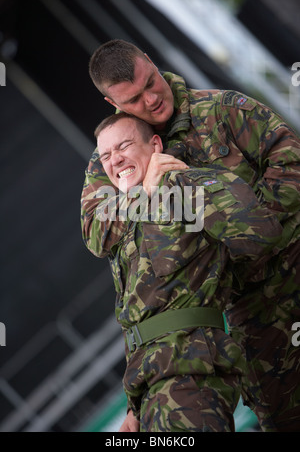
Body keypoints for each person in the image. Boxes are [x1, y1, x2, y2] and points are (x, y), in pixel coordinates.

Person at [81, 39, 300, 432]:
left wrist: (246, 228)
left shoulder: (222, 110)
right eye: (134, 98)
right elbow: (96, 232)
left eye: (151, 82)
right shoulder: (113, 160)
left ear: (150, 60)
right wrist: (146, 193)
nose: (151, 99)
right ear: (112, 102)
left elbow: (291, 163)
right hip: (247, 322)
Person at [94, 112, 283, 432]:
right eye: (106, 155)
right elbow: (141, 314)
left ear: (155, 145)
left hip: (189, 372)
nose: (116, 160)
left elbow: (261, 233)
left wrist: (166, 193)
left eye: (124, 146)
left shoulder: (192, 183)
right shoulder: (129, 224)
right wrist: (135, 406)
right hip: (153, 389)